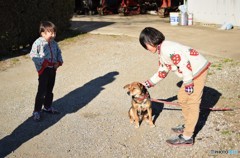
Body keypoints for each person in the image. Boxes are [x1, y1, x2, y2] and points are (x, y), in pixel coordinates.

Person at [139, 27, 211, 146]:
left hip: (198, 70)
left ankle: (188, 136)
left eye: (145, 45)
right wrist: (147, 83)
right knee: (182, 97)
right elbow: (162, 71)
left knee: (192, 102)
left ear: (150, 42)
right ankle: (189, 124)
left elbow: (184, 64)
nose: (146, 48)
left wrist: (188, 83)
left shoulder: (167, 49)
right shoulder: (162, 51)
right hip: (192, 72)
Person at [30, 21, 63, 121]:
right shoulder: (38, 43)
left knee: (50, 89)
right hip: (43, 70)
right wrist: (42, 62)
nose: (53, 35)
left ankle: (47, 107)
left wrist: (59, 62)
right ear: (43, 33)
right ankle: (36, 110)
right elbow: (33, 55)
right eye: (50, 33)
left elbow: (58, 53)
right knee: (42, 91)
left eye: (54, 33)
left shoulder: (54, 43)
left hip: (53, 69)